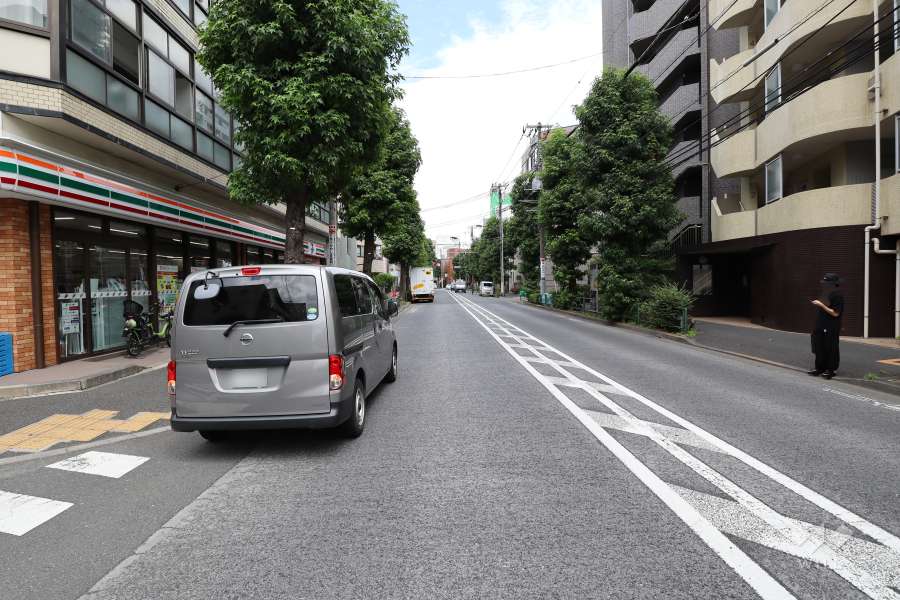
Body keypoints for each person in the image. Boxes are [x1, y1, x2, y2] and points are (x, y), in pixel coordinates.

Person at [809, 273, 844, 380]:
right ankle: (819, 368)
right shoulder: (826, 293)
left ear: (832, 284)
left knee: (831, 347)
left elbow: (835, 313)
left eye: (826, 283)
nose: (824, 284)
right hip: (820, 324)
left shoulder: (838, 296)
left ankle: (831, 370)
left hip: (831, 326)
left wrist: (821, 305)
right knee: (818, 345)